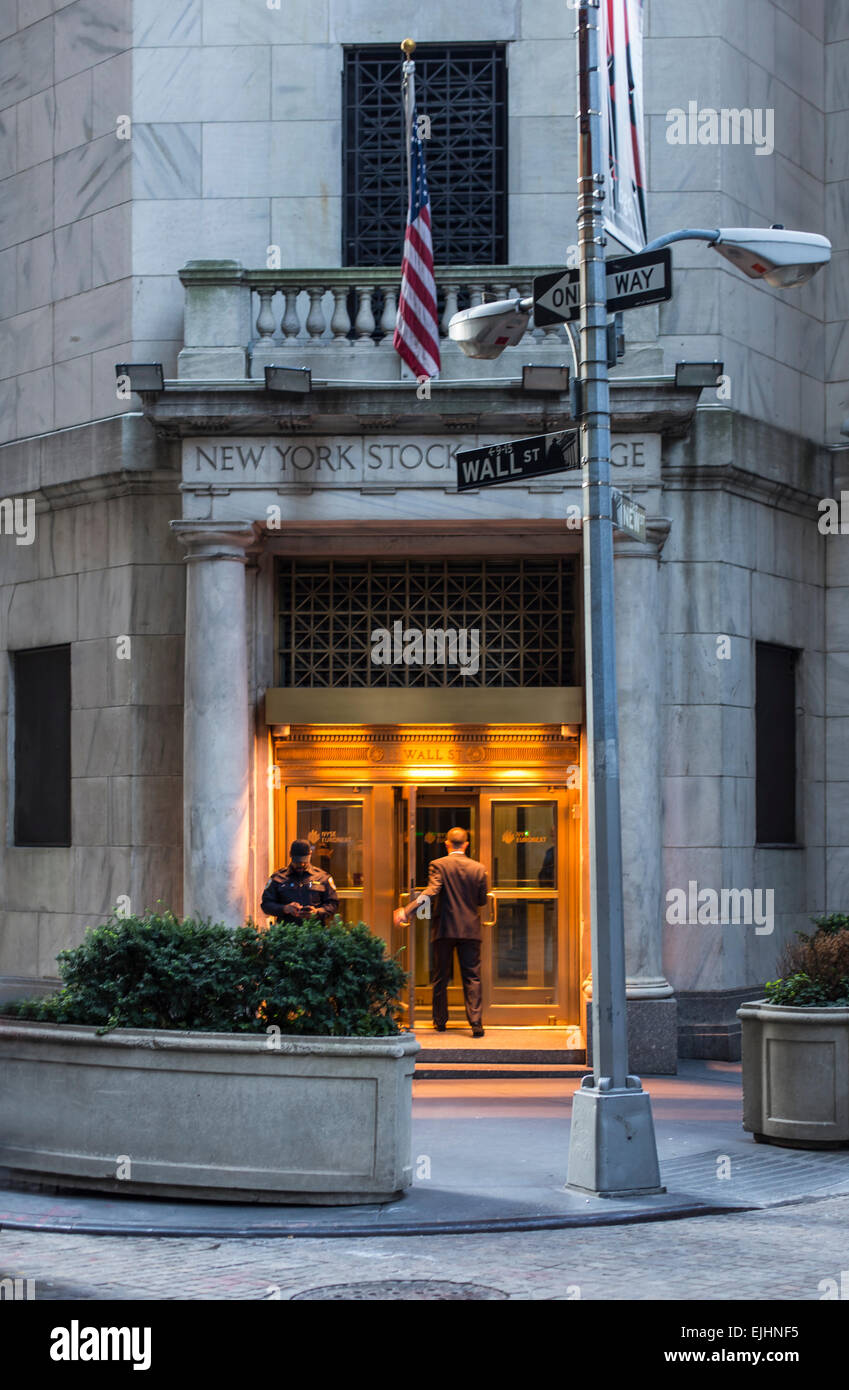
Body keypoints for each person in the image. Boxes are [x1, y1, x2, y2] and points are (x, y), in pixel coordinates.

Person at [393, 827, 489, 1037]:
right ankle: (476, 1023)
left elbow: (432, 891)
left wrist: (407, 911)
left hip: (445, 927)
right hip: (470, 929)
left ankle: (440, 1022)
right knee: (472, 976)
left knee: (440, 976)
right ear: (466, 844)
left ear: (447, 844)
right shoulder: (479, 868)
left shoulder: (438, 865)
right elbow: (482, 900)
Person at [261, 839, 339, 924]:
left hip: (315, 932)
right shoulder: (278, 878)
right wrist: (285, 908)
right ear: (290, 855)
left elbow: (333, 904)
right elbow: (266, 905)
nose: (301, 864)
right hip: (286, 932)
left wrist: (316, 912)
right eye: (297, 861)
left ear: (310, 854)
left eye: (304, 861)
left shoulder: (323, 877)